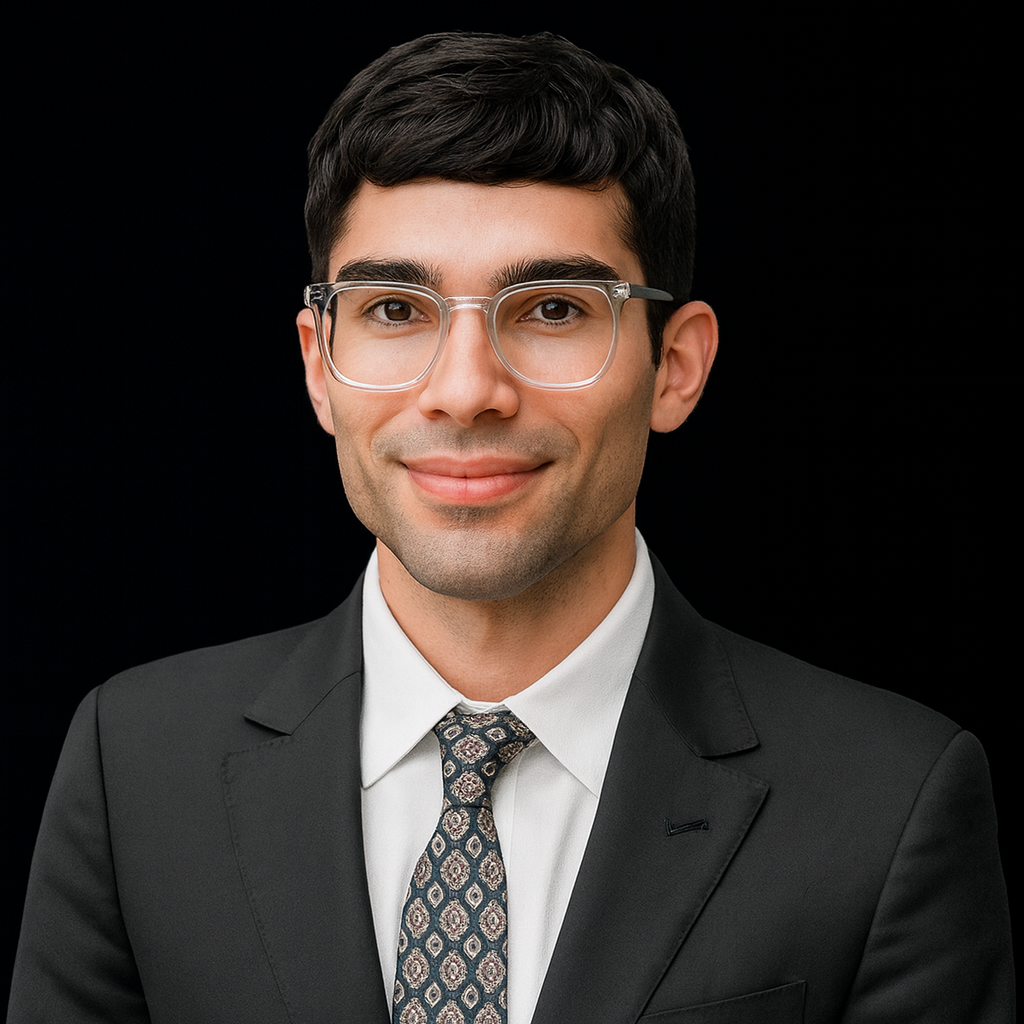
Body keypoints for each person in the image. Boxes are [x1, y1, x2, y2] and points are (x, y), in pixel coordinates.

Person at [9, 30, 1013, 1024]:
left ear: (675, 366)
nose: (465, 390)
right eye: (394, 310)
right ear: (318, 365)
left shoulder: (889, 801)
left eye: (553, 310)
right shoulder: (133, 765)